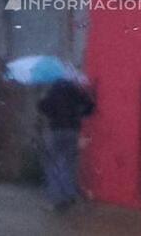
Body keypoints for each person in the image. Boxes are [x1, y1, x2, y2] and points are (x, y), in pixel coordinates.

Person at [37, 78, 95, 212]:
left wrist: (45, 101)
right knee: (69, 164)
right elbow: (91, 106)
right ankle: (68, 196)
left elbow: (42, 107)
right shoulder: (76, 91)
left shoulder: (53, 91)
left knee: (53, 165)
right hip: (73, 131)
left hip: (56, 131)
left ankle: (55, 200)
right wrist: (80, 114)